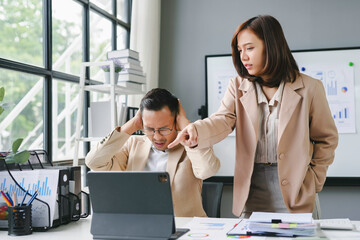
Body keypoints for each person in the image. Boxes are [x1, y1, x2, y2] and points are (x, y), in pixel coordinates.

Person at [169, 15, 338, 218]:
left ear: (271, 46)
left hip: (297, 191)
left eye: (249, 48)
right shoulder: (237, 86)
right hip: (252, 189)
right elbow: (222, 120)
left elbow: (326, 138)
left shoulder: (310, 88)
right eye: (240, 50)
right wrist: (194, 129)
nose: (243, 56)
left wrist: (313, 180)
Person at [85, 88, 220, 217]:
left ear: (176, 122)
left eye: (164, 129)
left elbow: (207, 170)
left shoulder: (191, 145)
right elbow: (94, 162)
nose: (157, 137)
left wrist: (186, 125)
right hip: (140, 227)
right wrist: (131, 125)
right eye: (149, 129)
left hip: (186, 229)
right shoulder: (133, 145)